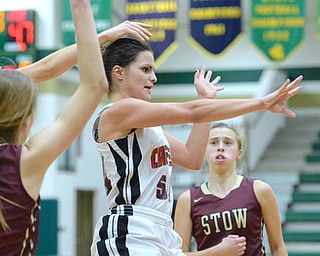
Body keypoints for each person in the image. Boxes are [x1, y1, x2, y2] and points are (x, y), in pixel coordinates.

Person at [90, 35, 302, 255]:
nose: (153, 78)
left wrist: (207, 101)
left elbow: (192, 158)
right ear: (119, 73)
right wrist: (261, 103)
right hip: (130, 228)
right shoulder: (117, 111)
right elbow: (193, 112)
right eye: (145, 70)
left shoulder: (150, 129)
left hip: (159, 229)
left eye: (153, 71)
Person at [0, 0, 146, 254]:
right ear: (26, 120)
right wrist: (80, 8)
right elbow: (92, 85)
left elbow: (45, 69)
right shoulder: (22, 162)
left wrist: (105, 36)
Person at [174, 122, 288, 256]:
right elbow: (178, 254)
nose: (220, 147)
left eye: (228, 143)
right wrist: (218, 251)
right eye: (214, 143)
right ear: (204, 152)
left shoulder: (260, 190)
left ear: (239, 153)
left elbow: (277, 247)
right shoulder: (188, 199)